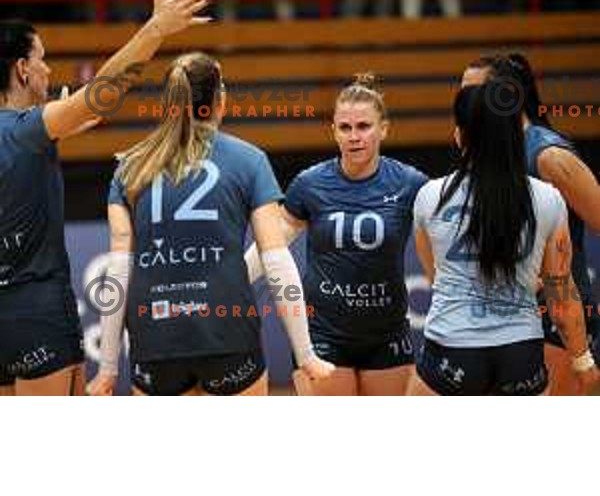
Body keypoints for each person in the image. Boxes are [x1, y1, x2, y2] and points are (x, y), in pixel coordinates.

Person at [87, 52, 333, 396]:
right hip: (226, 334)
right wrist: (306, 353)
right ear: (220, 100)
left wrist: (108, 367)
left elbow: (118, 270)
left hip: (155, 340)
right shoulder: (249, 160)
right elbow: (276, 260)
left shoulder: (129, 167)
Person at [0, 0, 211, 396]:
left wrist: (56, 126)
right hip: (35, 314)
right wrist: (156, 29)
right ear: (23, 69)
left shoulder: (32, 133)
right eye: (42, 58)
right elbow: (103, 94)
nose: (48, 68)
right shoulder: (26, 132)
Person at [408, 81, 599, 396]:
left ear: (459, 135)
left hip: (452, 350)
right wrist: (582, 359)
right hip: (521, 355)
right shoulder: (548, 199)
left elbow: (437, 277)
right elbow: (562, 295)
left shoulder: (430, 197)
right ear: (515, 136)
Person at [245, 74, 429, 395]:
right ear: (334, 131)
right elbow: (273, 242)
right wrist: (231, 281)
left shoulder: (410, 183)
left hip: (387, 336)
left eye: (364, 126)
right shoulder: (310, 184)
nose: (354, 136)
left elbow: (446, 232)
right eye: (345, 128)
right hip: (322, 335)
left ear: (383, 129)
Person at [462, 53, 600, 394]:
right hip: (502, 313)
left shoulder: (548, 157)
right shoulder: (483, 150)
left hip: (553, 312)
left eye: (473, 92)